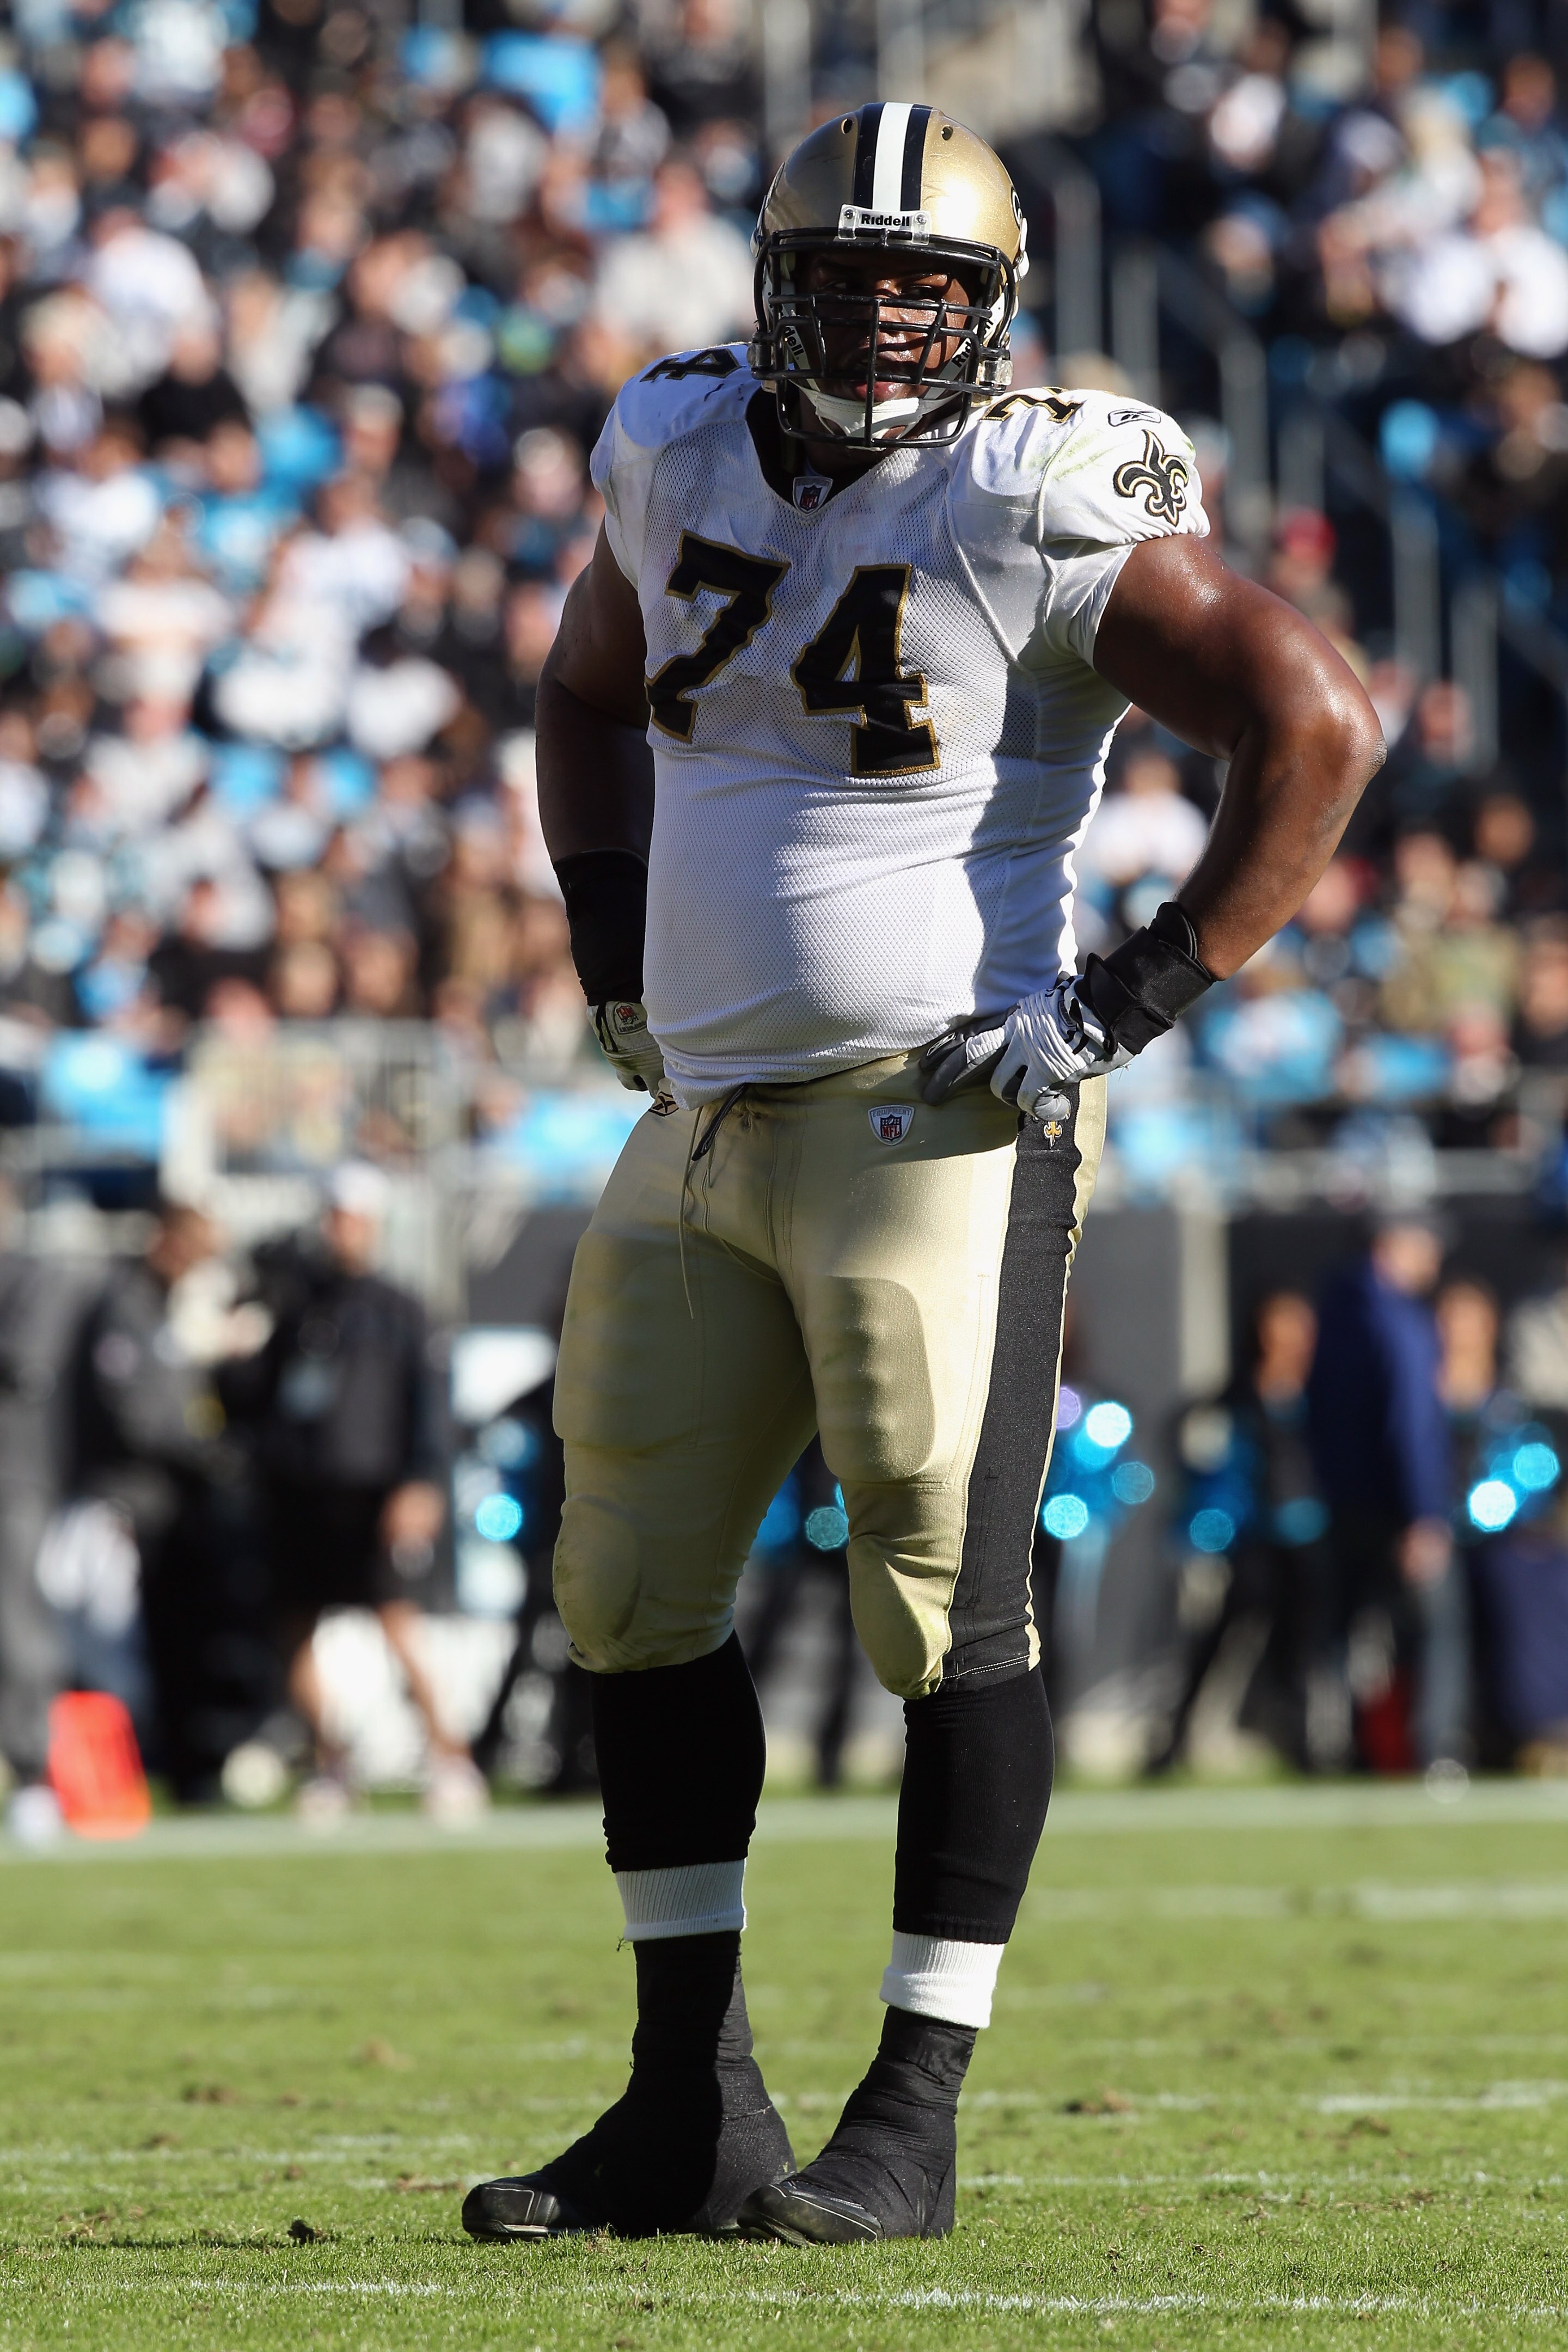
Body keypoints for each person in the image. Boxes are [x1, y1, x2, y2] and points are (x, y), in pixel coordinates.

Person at [461, 103, 1383, 2249]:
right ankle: (688, 2107)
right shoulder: (675, 443)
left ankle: (915, 2108)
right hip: (699, 1113)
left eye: (934, 289)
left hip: (932, 1122)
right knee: (626, 1597)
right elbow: (584, 687)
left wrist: (1132, 995)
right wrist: (610, 946)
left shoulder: (1036, 486)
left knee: (940, 1610)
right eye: (856, 279)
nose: (892, 321)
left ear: (992, 316)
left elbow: (1316, 717)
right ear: (771, 287)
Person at [245, 1162, 482, 1821]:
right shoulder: (296, 1305)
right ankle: (331, 1764)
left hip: (375, 1492)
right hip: (303, 1491)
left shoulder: (401, 1308)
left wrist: (421, 1484)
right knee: (295, 1626)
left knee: (396, 1621)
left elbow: (430, 1407)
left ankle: (450, 1757)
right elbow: (265, 1399)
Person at [1306, 1216, 1469, 1772]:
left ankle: (1340, 1749)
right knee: (1436, 1628)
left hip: (1343, 1499)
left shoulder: (1333, 1311)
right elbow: (1413, 1423)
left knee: (1344, 1627)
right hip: (1397, 1506)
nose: (1434, 1264)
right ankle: (1434, 1749)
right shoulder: (1400, 1321)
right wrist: (1424, 1513)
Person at [1150, 1289, 1331, 1774]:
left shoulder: (1323, 1395)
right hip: (1251, 1540)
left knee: (1298, 1648)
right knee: (1219, 1638)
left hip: (1308, 1539)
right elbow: (1197, 1453)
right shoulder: (1235, 1398)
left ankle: (1301, 1743)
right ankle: (1174, 1740)